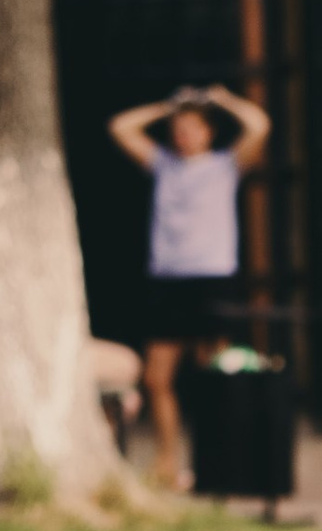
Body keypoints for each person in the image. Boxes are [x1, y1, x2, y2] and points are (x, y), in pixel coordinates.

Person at [108, 86, 269, 489]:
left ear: (208, 132)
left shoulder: (225, 166)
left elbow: (259, 126)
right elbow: (121, 127)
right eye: (178, 129)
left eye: (193, 128)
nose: (184, 136)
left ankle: (219, 462)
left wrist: (223, 101)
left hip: (212, 278)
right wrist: (167, 107)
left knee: (215, 376)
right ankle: (168, 462)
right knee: (157, 378)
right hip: (169, 280)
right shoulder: (163, 165)